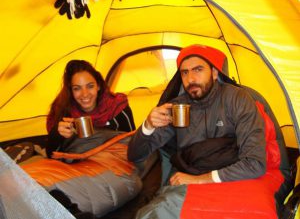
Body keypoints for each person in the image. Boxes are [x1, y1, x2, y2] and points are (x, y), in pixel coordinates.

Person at [127, 44, 266, 185]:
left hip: (231, 179)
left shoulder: (237, 99)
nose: (191, 79)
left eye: (198, 69)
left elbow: (255, 163)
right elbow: (135, 155)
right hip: (185, 180)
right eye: (185, 72)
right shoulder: (176, 108)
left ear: (214, 73)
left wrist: (200, 180)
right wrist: (148, 126)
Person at [46, 59, 135, 157]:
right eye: (77, 88)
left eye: (90, 86)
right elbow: (50, 155)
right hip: (76, 166)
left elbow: (134, 146)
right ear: (71, 91)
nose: (85, 94)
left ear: (98, 86)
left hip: (113, 165)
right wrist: (56, 133)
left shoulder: (117, 107)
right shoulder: (62, 110)